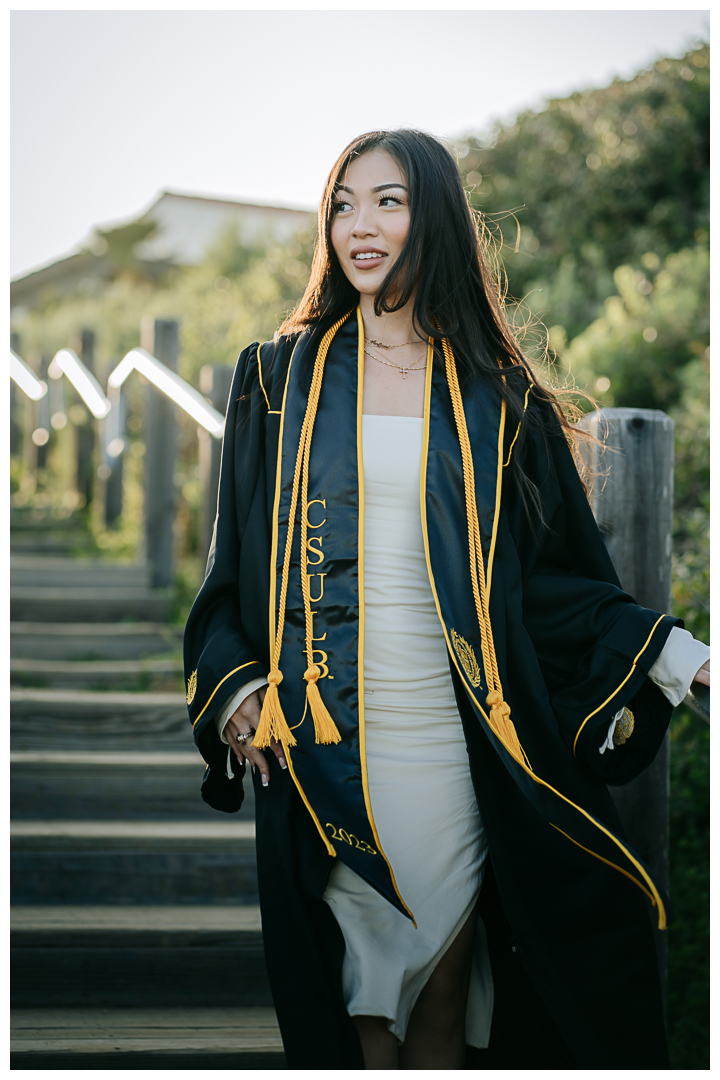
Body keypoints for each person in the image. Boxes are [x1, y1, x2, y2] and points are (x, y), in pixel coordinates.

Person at [183, 129, 710, 1070]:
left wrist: (673, 655)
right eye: (343, 204)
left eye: (387, 200)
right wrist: (235, 689)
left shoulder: (491, 395)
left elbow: (546, 586)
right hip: (328, 738)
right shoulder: (276, 380)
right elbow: (233, 577)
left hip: (453, 743)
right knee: (362, 1018)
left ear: (434, 215)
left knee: (439, 1012)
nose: (360, 225)